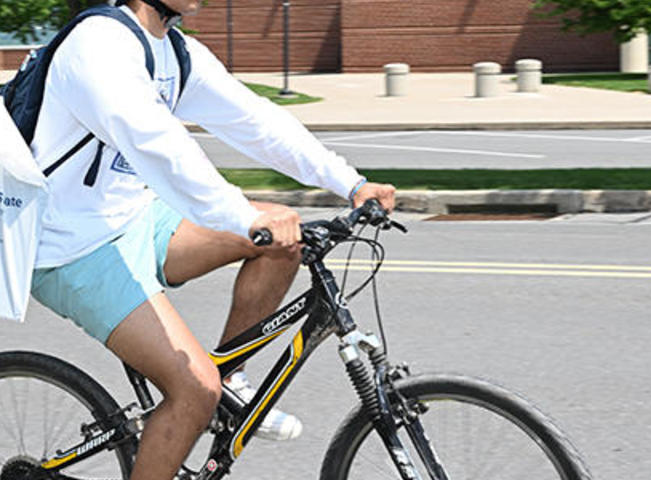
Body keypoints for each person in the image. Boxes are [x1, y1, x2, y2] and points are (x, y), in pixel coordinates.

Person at [22, 1, 396, 479]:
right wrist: (241, 217)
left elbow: (256, 121)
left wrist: (350, 183)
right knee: (195, 389)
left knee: (283, 234)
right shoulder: (98, 44)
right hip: (71, 246)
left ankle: (229, 381)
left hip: (134, 218)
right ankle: (204, 396)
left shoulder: (173, 52)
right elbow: (159, 146)